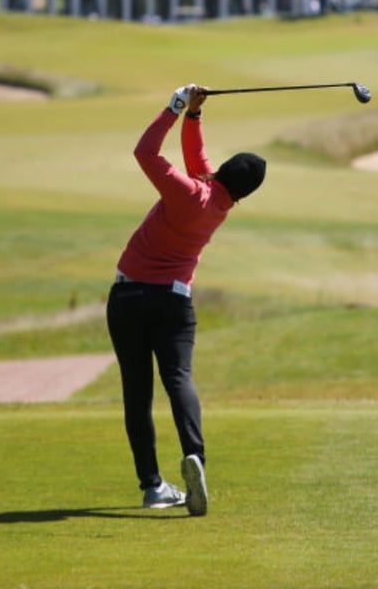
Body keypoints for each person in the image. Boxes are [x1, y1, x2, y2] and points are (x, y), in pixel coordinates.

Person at [105, 84, 266, 517]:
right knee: (178, 378)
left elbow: (145, 153)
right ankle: (196, 456)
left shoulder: (191, 193)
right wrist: (195, 116)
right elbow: (199, 163)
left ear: (225, 170)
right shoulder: (218, 203)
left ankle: (152, 485)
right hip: (174, 304)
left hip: (127, 298)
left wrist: (174, 107)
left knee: (137, 394)